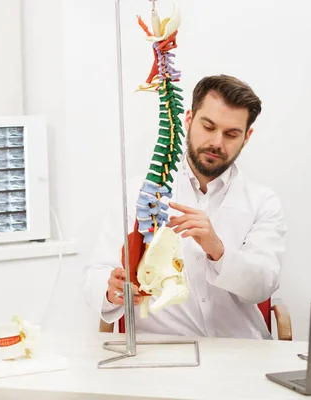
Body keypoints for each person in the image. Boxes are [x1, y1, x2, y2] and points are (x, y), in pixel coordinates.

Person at [83, 75, 287, 339]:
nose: (217, 143)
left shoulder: (262, 202)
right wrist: (111, 290)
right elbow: (95, 277)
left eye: (231, 134)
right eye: (208, 127)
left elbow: (263, 284)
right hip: (163, 357)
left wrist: (218, 250)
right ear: (189, 119)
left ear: (247, 137)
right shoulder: (138, 193)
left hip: (240, 352)